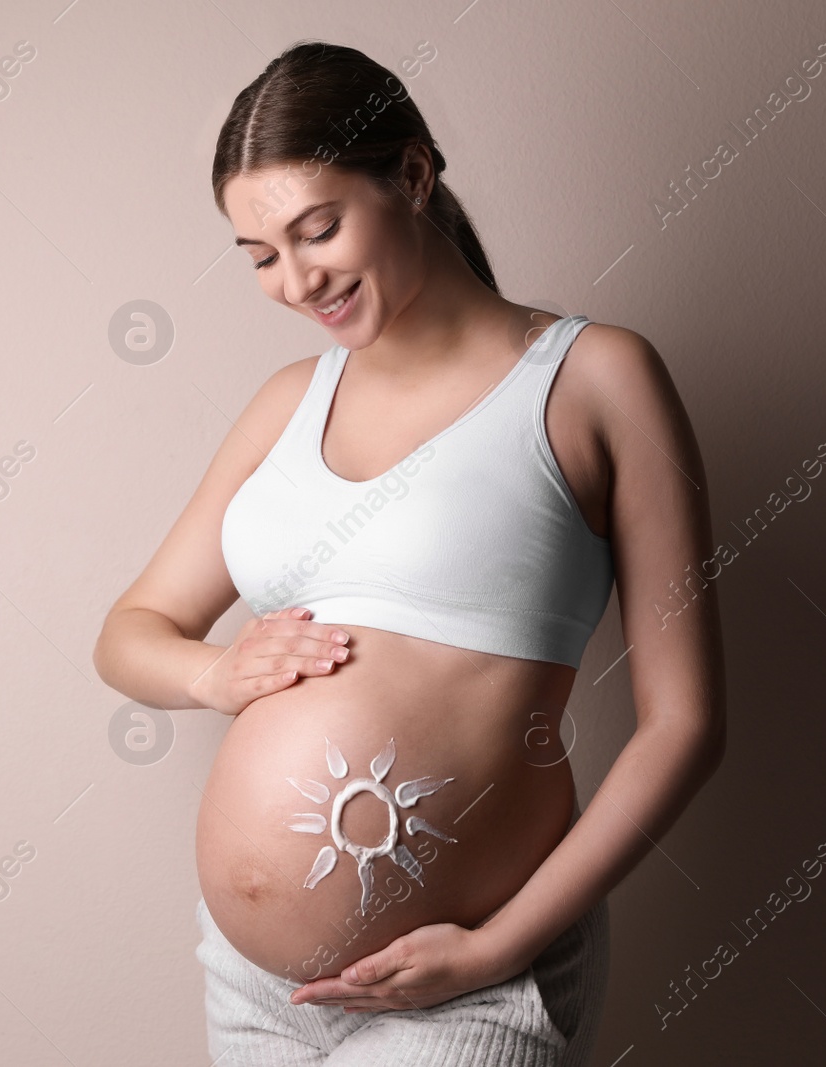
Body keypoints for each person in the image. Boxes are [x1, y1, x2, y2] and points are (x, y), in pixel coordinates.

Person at [92, 39, 725, 1066]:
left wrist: (495, 947)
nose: (297, 280)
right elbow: (127, 634)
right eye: (259, 255)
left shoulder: (593, 379)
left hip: (465, 980)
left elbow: (686, 722)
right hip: (256, 987)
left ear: (414, 177)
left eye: (317, 230)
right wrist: (216, 671)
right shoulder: (287, 404)